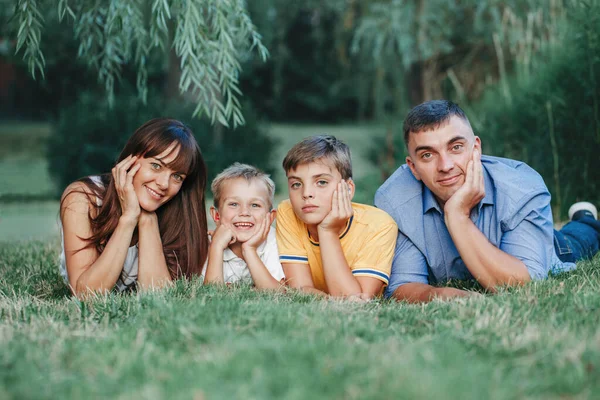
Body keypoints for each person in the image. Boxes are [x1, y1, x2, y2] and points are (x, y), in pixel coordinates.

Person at [374, 100, 600, 302]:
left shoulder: (520, 187)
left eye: (456, 147)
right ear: (412, 167)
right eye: (427, 155)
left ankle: (586, 218)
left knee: (578, 240)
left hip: (550, 248)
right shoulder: (396, 200)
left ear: (476, 148)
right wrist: (447, 295)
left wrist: (457, 216)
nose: (445, 166)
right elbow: (402, 286)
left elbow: (522, 286)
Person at [59, 118, 209, 297]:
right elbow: (86, 294)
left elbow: (159, 298)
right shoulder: (83, 198)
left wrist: (147, 219)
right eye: (156, 166)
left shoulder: (177, 211)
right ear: (130, 160)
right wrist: (129, 217)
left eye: (177, 176)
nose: (163, 184)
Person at [276, 135, 398, 299]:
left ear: (348, 190)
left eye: (321, 182)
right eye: (296, 184)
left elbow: (357, 298)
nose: (306, 194)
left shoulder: (379, 225)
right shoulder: (288, 211)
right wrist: (332, 300)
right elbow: (300, 287)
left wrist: (328, 231)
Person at [203, 163, 285, 289]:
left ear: (270, 217)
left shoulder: (274, 242)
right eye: (234, 204)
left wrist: (249, 249)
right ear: (217, 216)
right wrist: (217, 247)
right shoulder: (209, 245)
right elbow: (211, 294)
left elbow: (276, 294)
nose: (244, 212)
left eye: (255, 205)